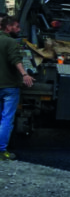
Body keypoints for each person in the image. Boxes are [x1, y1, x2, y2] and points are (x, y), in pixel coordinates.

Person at [0, 16, 35, 160]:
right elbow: (16, 60)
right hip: (9, 87)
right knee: (6, 119)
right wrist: (25, 75)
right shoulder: (11, 42)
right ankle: (1, 151)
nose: (19, 30)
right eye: (16, 26)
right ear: (8, 27)